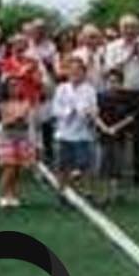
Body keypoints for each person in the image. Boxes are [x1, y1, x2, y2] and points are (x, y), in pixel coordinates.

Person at [102, 14, 139, 186]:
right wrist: (130, 56)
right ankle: (116, 174)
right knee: (118, 135)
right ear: (120, 29)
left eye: (133, 27)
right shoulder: (112, 47)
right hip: (119, 95)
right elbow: (110, 70)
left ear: (138, 29)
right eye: (126, 27)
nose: (130, 30)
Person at [52, 56, 98, 198]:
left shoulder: (89, 90)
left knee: (84, 164)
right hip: (64, 132)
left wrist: (88, 114)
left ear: (84, 72)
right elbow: (55, 110)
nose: (75, 73)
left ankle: (87, 190)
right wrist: (68, 111)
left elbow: (93, 109)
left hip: (83, 133)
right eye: (72, 70)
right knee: (62, 165)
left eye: (78, 70)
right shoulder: (61, 89)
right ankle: (61, 191)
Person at [96, 68, 137, 205]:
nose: (113, 84)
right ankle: (104, 194)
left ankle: (117, 193)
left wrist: (116, 128)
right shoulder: (100, 97)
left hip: (121, 135)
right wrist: (105, 128)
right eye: (111, 81)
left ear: (121, 83)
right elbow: (95, 115)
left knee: (118, 164)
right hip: (104, 135)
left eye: (116, 82)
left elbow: (131, 117)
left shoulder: (127, 98)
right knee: (103, 165)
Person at [0, 75, 36, 208]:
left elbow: (27, 120)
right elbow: (5, 121)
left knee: (18, 168)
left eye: (17, 85)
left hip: (22, 136)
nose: (15, 88)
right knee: (9, 167)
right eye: (11, 86)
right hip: (7, 137)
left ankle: (12, 194)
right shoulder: (3, 103)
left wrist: (20, 119)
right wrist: (15, 119)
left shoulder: (25, 103)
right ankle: (2, 194)